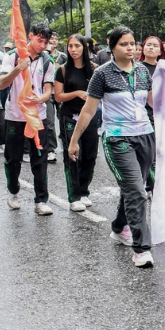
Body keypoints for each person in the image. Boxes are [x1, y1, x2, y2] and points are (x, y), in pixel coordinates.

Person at [68, 26, 156, 268]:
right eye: (124, 44)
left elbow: (153, 102)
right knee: (138, 192)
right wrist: (74, 141)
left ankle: (119, 227)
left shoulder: (143, 72)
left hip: (145, 136)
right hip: (117, 139)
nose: (131, 48)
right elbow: (88, 110)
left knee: (132, 189)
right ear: (112, 48)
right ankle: (142, 249)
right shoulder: (102, 74)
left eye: (132, 44)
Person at [0, 22, 55, 215]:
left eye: (45, 42)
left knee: (40, 158)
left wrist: (41, 98)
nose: (42, 45)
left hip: (38, 116)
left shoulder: (48, 61)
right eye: (39, 40)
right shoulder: (12, 56)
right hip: (15, 115)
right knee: (13, 159)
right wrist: (17, 68)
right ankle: (13, 191)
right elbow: (2, 83)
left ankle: (41, 200)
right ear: (30, 35)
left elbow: (48, 91)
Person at [55, 34, 98, 211]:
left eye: (77, 46)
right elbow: (58, 96)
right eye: (70, 46)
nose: (73, 50)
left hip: (90, 116)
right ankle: (74, 196)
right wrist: (76, 93)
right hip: (69, 117)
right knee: (72, 155)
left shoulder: (95, 69)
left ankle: (84, 190)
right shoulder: (63, 70)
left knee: (90, 155)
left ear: (85, 48)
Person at [138, 35, 165, 195]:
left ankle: (154, 185)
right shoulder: (136, 68)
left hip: (163, 116)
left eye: (155, 46)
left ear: (160, 51)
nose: (151, 48)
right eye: (148, 45)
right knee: (149, 154)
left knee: (160, 153)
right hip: (143, 116)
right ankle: (153, 188)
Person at [44, 32, 65, 163]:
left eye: (56, 39)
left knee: (64, 119)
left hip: (61, 93)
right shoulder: (43, 56)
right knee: (50, 122)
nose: (54, 41)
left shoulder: (63, 57)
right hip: (48, 94)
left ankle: (67, 142)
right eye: (51, 39)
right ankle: (51, 149)